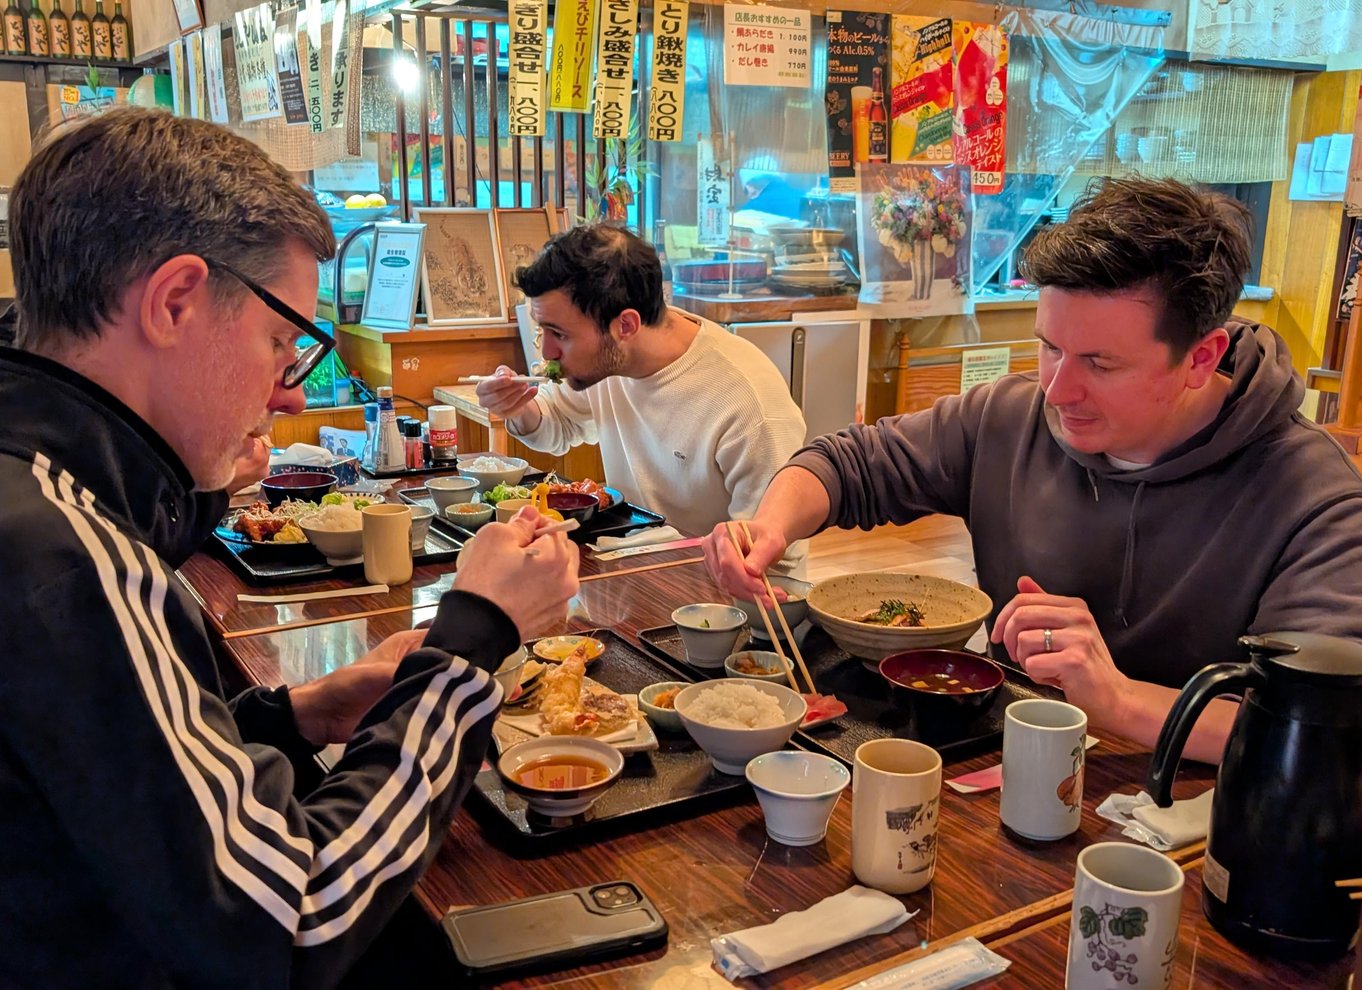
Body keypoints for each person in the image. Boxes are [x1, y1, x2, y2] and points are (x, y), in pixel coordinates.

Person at [0, 107, 579, 987]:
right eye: (284, 344)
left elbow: (108, 778)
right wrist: (472, 641)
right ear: (174, 301)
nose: (288, 398)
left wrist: (303, 711)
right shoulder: (68, 556)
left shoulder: (39, 489)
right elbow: (293, 916)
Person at [704, 177, 1362, 764]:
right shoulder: (1010, 417)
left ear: (1201, 356)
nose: (1059, 389)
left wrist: (1118, 699)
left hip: (1195, 829)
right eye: (1049, 348)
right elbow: (848, 463)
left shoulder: (1315, 500)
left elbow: (1319, 733)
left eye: (1100, 364)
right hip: (1005, 764)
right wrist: (769, 527)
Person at [476, 223, 810, 572]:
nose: (547, 350)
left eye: (558, 333)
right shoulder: (606, 361)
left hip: (720, 603)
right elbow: (556, 422)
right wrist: (516, 406)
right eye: (542, 330)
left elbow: (772, 565)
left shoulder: (746, 402)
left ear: (626, 326)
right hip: (634, 570)